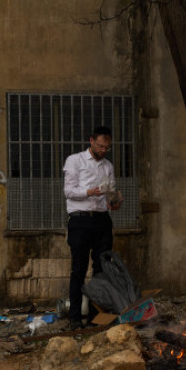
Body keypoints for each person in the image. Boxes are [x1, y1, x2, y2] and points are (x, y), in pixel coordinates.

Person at [63, 125, 123, 331]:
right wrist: (90, 191)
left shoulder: (108, 166)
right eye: (100, 146)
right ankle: (75, 318)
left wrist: (115, 201)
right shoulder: (75, 160)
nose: (103, 150)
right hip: (80, 221)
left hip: (102, 221)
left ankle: (98, 317)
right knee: (78, 269)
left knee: (101, 269)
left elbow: (110, 196)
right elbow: (69, 192)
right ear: (91, 141)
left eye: (107, 147)